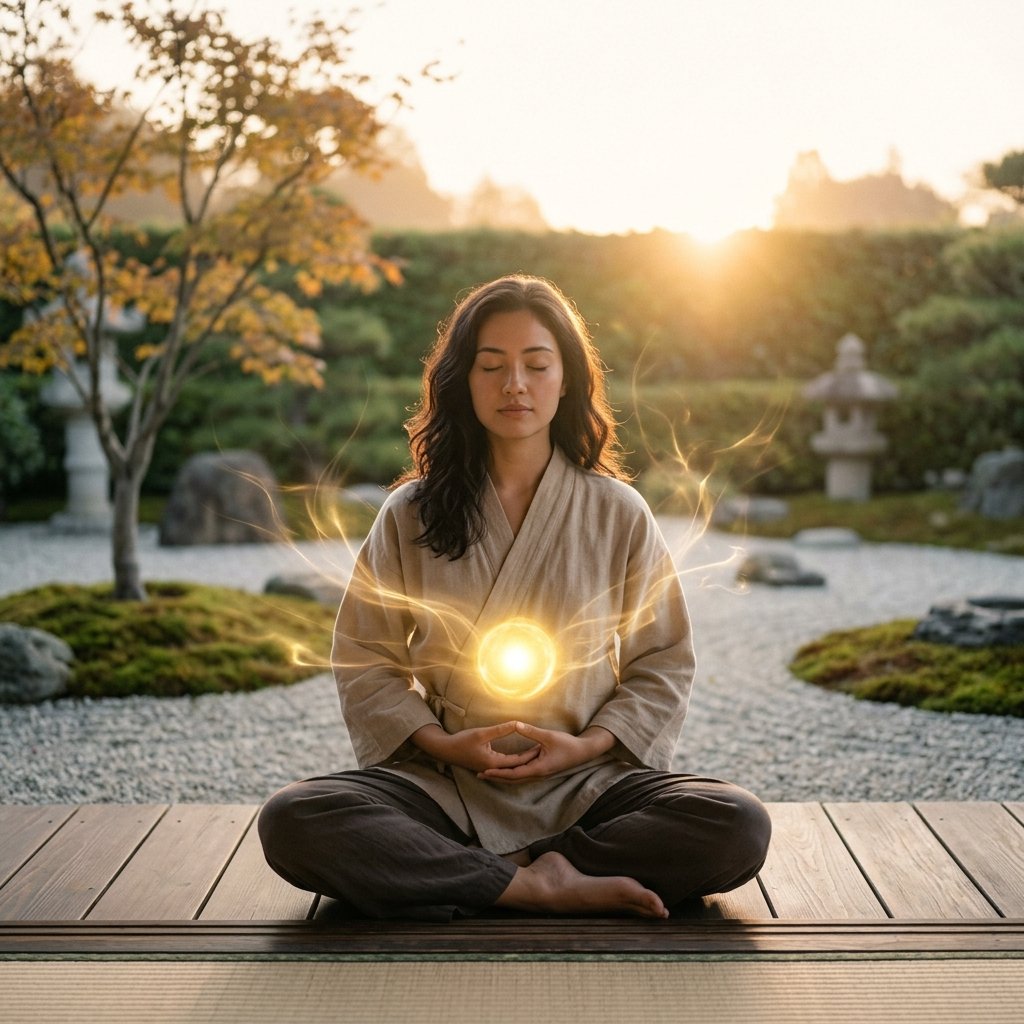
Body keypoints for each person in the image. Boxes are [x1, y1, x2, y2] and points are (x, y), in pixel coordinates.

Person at [259, 275, 771, 920]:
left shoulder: (617, 511)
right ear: (462, 381)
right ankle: (535, 884)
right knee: (295, 820)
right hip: (446, 786)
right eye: (491, 366)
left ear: (567, 380)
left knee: (738, 824)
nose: (514, 385)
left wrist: (584, 748)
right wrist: (446, 746)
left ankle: (482, 877)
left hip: (585, 786)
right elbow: (365, 658)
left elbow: (662, 661)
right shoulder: (411, 512)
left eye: (536, 364)